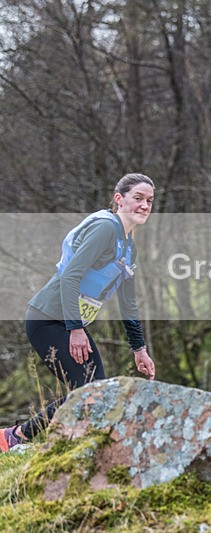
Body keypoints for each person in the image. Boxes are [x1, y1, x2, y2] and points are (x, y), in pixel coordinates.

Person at [0, 173, 157, 452]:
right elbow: (71, 277)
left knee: (98, 392)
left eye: (150, 201)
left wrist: (139, 349)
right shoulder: (106, 230)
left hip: (69, 323)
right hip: (47, 319)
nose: (145, 206)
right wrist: (75, 328)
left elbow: (128, 303)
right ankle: (15, 437)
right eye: (138, 199)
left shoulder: (129, 248)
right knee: (90, 391)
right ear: (119, 200)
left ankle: (66, 444)